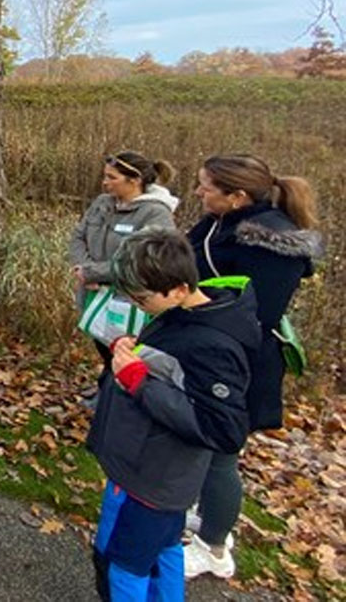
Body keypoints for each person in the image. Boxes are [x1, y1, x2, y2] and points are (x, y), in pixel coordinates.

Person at [88, 229, 259, 601]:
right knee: (164, 551)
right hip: (143, 468)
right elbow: (173, 371)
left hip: (155, 477)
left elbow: (222, 429)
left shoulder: (213, 345)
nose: (137, 304)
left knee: (123, 566)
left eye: (142, 297)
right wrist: (132, 350)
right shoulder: (181, 314)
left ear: (179, 288)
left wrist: (138, 380)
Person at [184, 154, 321, 580]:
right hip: (201, 348)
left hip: (240, 361)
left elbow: (257, 313)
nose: (198, 193)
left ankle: (215, 547)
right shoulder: (217, 221)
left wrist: (193, 304)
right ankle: (203, 514)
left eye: (206, 187)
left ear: (238, 195)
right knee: (199, 444)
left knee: (222, 452)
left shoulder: (271, 244)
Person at [68, 151, 178, 376]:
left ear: (135, 181)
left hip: (128, 298)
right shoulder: (102, 203)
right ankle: (106, 388)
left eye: (112, 177)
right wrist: (83, 269)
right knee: (102, 344)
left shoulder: (156, 214)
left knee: (126, 351)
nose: (105, 182)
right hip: (94, 292)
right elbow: (78, 236)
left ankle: (123, 393)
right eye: (105, 176)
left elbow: (143, 258)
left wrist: (93, 273)